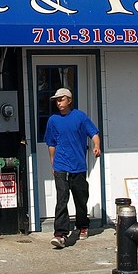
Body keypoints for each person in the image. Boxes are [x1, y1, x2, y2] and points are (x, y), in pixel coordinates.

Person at [44, 87, 101, 249]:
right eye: (56, 100)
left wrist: (96, 146)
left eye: (61, 99)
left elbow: (94, 133)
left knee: (80, 197)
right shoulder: (53, 120)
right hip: (61, 165)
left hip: (78, 165)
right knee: (62, 198)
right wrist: (53, 163)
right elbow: (51, 143)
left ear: (69, 100)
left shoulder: (80, 117)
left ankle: (82, 225)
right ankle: (60, 234)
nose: (58, 102)